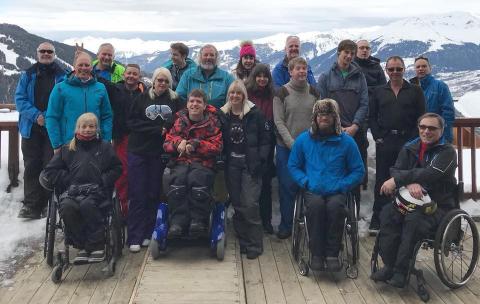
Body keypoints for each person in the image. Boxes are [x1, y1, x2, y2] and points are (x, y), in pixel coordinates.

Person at [371, 113, 457, 288]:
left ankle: (401, 271)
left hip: (437, 206)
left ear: (441, 130)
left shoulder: (447, 152)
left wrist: (399, 181)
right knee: (388, 214)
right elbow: (395, 169)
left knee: (413, 220)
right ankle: (390, 265)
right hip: (409, 201)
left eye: (432, 128)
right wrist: (410, 183)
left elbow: (431, 174)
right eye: (423, 127)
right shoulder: (410, 148)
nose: (426, 131)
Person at [288, 98, 364, 271]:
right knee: (315, 207)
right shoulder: (303, 140)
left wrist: (344, 185)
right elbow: (293, 165)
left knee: (336, 208)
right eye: (321, 114)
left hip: (337, 188)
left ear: (335, 118)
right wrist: (305, 181)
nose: (324, 118)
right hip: (313, 188)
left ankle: (332, 253)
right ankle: (316, 253)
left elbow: (358, 170)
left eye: (328, 114)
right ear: (315, 117)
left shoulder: (346, 142)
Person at [39, 113, 122, 264]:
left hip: (97, 191)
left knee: (87, 205)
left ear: (97, 128)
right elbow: (50, 171)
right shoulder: (66, 149)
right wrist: (69, 180)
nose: (87, 129)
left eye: (91, 126)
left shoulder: (105, 147)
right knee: (67, 207)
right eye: (84, 126)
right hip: (72, 191)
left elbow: (117, 168)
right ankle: (81, 245)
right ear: (77, 129)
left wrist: (102, 180)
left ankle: (96, 245)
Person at [368, 56, 425, 234]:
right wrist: (378, 136)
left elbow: (421, 117)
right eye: (391, 69)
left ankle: (405, 218)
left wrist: (414, 140)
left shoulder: (415, 91)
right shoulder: (379, 91)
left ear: (404, 69)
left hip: (408, 142)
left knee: (406, 178)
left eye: (398, 69)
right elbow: (372, 116)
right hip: (386, 141)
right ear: (386, 70)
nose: (395, 72)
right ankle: (378, 219)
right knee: (382, 180)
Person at [126, 67, 180, 253]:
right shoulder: (141, 98)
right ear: (153, 81)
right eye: (159, 80)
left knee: (153, 192)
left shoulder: (175, 100)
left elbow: (178, 121)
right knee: (137, 192)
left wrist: (167, 127)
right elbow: (131, 122)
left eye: (166, 80)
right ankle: (134, 235)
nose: (162, 83)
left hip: (159, 153)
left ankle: (149, 232)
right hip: (138, 151)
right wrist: (156, 130)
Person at [15, 42, 67, 219]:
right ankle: (31, 205)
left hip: (53, 129)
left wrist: (49, 117)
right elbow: (20, 99)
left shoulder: (62, 76)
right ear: (37, 54)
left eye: (49, 51)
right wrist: (37, 115)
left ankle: (47, 204)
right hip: (31, 127)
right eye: (42, 51)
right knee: (31, 165)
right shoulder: (28, 74)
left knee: (49, 165)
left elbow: (64, 100)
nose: (46, 54)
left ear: (54, 54)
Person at [220, 80, 270, 259]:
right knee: (238, 204)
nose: (235, 96)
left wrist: (261, 159)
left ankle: (255, 243)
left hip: (250, 165)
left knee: (250, 204)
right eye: (232, 93)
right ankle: (244, 241)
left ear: (244, 95)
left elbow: (266, 139)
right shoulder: (223, 114)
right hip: (231, 165)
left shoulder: (255, 114)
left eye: (238, 93)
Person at [163, 89, 223, 236]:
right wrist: (178, 144)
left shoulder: (212, 123)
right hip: (181, 161)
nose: (194, 104)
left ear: (204, 106)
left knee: (197, 179)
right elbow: (167, 142)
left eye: (198, 102)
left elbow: (217, 146)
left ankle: (198, 220)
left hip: (203, 163)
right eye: (192, 101)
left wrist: (197, 144)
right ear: (187, 104)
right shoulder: (179, 121)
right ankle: (178, 221)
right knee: (178, 179)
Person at [317, 39, 368, 207]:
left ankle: (353, 214)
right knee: (334, 171)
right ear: (339, 52)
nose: (349, 56)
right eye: (346, 52)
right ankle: (334, 212)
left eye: (352, 54)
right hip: (333, 133)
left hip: (355, 132)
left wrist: (355, 125)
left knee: (354, 174)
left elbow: (364, 103)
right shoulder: (326, 77)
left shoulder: (360, 77)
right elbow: (322, 105)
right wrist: (335, 126)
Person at [273, 57, 320, 239]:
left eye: (304, 69)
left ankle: (307, 224)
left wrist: (308, 142)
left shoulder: (315, 92)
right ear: (290, 72)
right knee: (287, 187)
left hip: (310, 147)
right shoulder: (282, 93)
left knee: (309, 186)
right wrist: (292, 144)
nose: (301, 72)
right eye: (297, 69)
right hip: (286, 148)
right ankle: (287, 226)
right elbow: (278, 121)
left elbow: (317, 120)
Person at [46, 51, 113, 153]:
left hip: (95, 144)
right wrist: (57, 144)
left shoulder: (100, 88)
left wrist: (106, 141)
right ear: (74, 66)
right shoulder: (60, 88)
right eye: (80, 65)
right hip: (69, 144)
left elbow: (106, 116)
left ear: (91, 67)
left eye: (87, 65)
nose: (83, 68)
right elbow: (52, 117)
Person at [111, 64, 147, 217]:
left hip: (140, 138)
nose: (131, 76)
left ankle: (138, 208)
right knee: (123, 173)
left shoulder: (145, 93)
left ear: (139, 77)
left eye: (135, 74)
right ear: (123, 75)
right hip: (121, 137)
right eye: (129, 73)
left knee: (138, 173)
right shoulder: (115, 90)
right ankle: (123, 209)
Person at [245, 64, 276, 234]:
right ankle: (250, 220)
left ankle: (266, 220)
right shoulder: (247, 93)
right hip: (250, 142)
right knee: (250, 181)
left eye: (265, 76)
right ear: (254, 77)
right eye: (259, 76)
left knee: (265, 182)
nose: (262, 79)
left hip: (268, 142)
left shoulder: (273, 95)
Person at [410, 56, 455, 143]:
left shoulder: (440, 86)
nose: (421, 69)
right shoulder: (411, 88)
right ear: (414, 70)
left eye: (424, 66)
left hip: (438, 136)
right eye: (418, 67)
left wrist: (443, 135)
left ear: (430, 68)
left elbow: (448, 112)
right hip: (418, 137)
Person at [176, 44, 234, 109]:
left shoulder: (226, 77)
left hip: (219, 116)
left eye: (212, 55)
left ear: (216, 58)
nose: (208, 58)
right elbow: (179, 97)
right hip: (191, 116)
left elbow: (234, 98)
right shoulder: (188, 75)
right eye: (205, 55)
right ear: (200, 57)